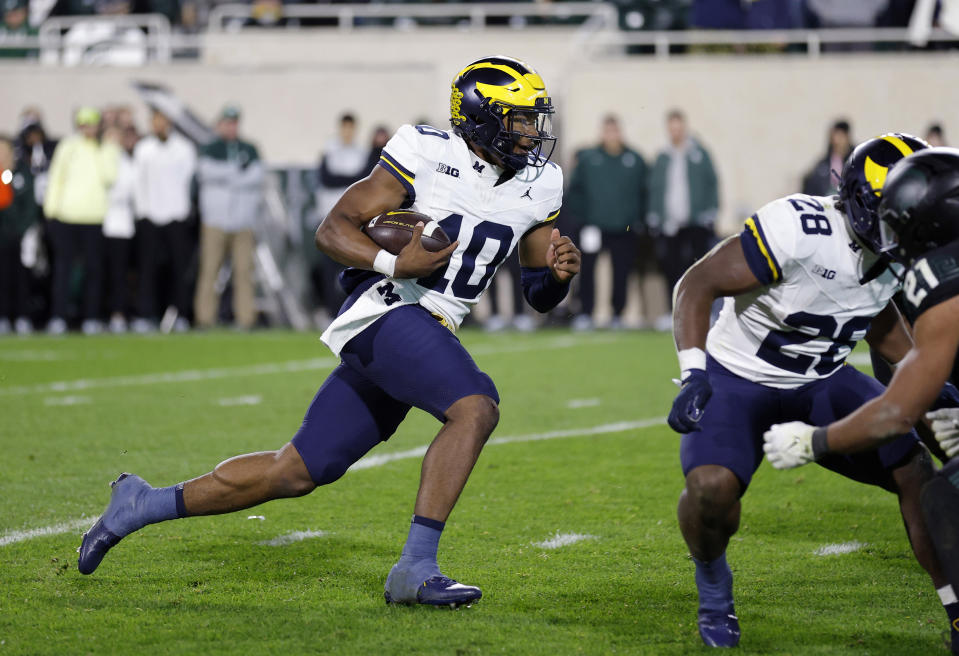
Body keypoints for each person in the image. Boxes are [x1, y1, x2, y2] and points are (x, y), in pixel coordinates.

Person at [78, 56, 581, 608]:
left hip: (429, 328)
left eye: (535, 120)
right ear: (482, 118)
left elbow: (538, 293)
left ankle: (141, 504)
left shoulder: (540, 184)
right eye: (520, 120)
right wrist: (395, 266)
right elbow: (333, 228)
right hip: (386, 310)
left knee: (295, 471)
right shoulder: (426, 150)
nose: (533, 133)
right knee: (476, 406)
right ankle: (415, 568)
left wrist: (557, 277)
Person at [668, 133, 954, 648]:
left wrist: (932, 383)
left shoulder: (896, 245)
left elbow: (874, 314)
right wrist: (693, 372)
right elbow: (697, 283)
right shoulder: (800, 228)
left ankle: (956, 609)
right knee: (711, 489)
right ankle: (713, 583)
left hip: (823, 380)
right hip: (739, 378)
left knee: (914, 469)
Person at [763, 147, 959, 655]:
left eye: (902, 224)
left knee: (943, 498)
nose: (892, 239)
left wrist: (815, 441)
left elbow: (896, 411)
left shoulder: (939, 280)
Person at [566, 114, 647, 331]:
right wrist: (582, 220)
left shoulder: (634, 159)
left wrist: (637, 220)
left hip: (624, 228)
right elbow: (575, 192)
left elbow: (644, 192)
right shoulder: (589, 159)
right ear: (602, 133)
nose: (612, 135)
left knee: (621, 272)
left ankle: (618, 314)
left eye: (615, 131)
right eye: (608, 131)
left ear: (621, 132)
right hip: (593, 227)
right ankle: (586, 312)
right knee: (588, 270)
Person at [43, 107, 120, 335]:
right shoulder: (68, 146)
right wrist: (51, 211)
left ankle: (91, 317)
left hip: (94, 218)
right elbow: (56, 178)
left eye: (92, 124)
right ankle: (58, 316)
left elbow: (110, 177)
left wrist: (107, 148)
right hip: (66, 217)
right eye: (84, 124)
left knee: (93, 270)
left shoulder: (105, 149)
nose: (88, 129)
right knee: (63, 270)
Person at [193, 104, 265, 330]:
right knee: (210, 270)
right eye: (228, 122)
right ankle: (205, 318)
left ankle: (245, 318)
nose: (232, 127)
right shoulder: (210, 148)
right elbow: (206, 173)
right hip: (215, 221)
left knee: (244, 273)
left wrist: (226, 177)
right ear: (220, 124)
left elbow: (256, 177)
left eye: (235, 123)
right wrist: (236, 172)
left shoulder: (249, 148)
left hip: (243, 222)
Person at [647, 108, 718, 327]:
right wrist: (655, 215)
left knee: (698, 268)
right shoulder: (662, 157)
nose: (676, 132)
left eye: (679, 127)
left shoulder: (699, 154)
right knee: (672, 269)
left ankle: (700, 311)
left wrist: (710, 211)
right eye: (672, 128)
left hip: (696, 223)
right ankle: (674, 312)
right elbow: (655, 189)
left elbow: (711, 184)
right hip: (670, 225)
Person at [132, 108, 197, 333]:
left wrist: (183, 210)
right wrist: (142, 212)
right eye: (155, 121)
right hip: (149, 217)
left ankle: (180, 314)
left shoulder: (184, 149)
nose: (158, 125)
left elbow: (188, 182)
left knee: (179, 270)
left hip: (176, 217)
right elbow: (138, 183)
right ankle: (146, 314)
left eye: (162, 120)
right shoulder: (144, 149)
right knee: (148, 270)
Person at [310, 113, 370, 327]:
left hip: (353, 220)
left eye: (350, 128)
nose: (347, 132)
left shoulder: (360, 152)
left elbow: (363, 179)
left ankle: (350, 312)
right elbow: (327, 178)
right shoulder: (330, 149)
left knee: (353, 269)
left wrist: (345, 178)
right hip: (329, 219)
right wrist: (350, 178)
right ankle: (330, 312)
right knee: (328, 270)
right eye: (344, 127)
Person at [0, 134, 38, 335]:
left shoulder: (21, 173)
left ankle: (23, 316)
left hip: (20, 237)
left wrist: (20, 229)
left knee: (21, 278)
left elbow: (29, 207)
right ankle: (3, 316)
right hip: (2, 238)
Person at [102, 124, 138, 333]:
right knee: (99, 273)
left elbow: (125, 190)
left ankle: (118, 313)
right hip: (98, 221)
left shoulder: (124, 161)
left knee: (119, 273)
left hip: (120, 224)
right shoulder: (101, 158)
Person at [802, 119, 852, 197]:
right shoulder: (822, 165)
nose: (838, 141)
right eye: (835, 136)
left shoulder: (853, 163)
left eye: (841, 136)